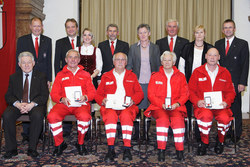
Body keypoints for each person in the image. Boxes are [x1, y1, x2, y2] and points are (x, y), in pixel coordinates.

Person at [95, 52, 143, 162]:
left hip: (127, 107)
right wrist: (102, 100)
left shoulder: (132, 75)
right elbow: (98, 94)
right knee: (110, 117)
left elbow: (140, 93)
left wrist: (133, 100)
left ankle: (127, 148)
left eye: (122, 60)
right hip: (110, 107)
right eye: (118, 59)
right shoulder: (106, 76)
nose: (120, 62)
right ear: (113, 62)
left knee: (126, 116)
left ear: (126, 62)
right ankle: (110, 148)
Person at [47, 49, 96, 156]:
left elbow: (93, 92)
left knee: (85, 117)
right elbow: (54, 94)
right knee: (52, 116)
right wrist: (61, 99)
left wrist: (86, 97)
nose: (73, 60)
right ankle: (59, 144)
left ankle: (80, 143)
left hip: (81, 105)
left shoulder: (86, 74)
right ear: (65, 59)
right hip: (64, 104)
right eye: (70, 57)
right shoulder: (60, 75)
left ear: (79, 60)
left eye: (75, 57)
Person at [188, 48, 236, 155]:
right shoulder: (197, 72)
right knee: (205, 116)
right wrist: (197, 101)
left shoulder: (225, 72)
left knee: (225, 118)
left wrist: (226, 102)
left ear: (219, 57)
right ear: (205, 56)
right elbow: (190, 91)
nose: (212, 58)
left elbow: (231, 92)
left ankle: (220, 141)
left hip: (221, 106)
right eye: (210, 55)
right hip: (203, 106)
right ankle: (204, 142)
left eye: (215, 55)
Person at [144, 51, 189, 162]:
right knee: (163, 121)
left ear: (174, 62)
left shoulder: (181, 76)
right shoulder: (155, 76)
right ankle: (161, 150)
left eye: (169, 60)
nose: (167, 62)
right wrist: (161, 104)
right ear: (161, 62)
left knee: (178, 121)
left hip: (176, 107)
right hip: (159, 107)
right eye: (165, 60)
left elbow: (185, 94)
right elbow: (151, 95)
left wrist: (177, 104)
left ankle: (180, 150)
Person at [3, 52, 49, 159]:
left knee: (38, 115)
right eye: (24, 63)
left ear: (33, 63)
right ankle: (11, 149)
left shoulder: (41, 76)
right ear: (19, 64)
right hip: (18, 104)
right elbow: (8, 96)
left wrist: (31, 104)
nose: (26, 65)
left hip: (35, 104)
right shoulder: (14, 77)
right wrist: (18, 104)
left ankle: (32, 148)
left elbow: (44, 96)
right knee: (7, 115)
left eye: (29, 62)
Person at [16, 17, 52, 142]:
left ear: (42, 27)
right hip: (26, 76)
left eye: (39, 26)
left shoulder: (47, 40)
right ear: (30, 27)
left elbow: (48, 61)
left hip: (41, 78)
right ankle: (26, 133)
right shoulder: (22, 40)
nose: (37, 28)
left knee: (40, 103)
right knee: (26, 100)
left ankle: (40, 132)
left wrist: (49, 79)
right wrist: (19, 79)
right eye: (35, 26)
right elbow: (18, 61)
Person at [215, 19, 249, 143]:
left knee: (235, 107)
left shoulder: (242, 44)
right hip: (221, 82)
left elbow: (245, 65)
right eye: (225, 28)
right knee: (223, 107)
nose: (227, 30)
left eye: (230, 27)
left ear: (234, 29)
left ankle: (237, 132)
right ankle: (226, 131)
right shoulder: (218, 43)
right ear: (222, 30)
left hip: (236, 82)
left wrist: (242, 82)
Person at [178, 25, 213, 142]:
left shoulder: (209, 48)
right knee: (187, 108)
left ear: (205, 34)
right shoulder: (187, 47)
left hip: (204, 85)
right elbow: (181, 66)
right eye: (197, 32)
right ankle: (187, 133)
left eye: (201, 32)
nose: (199, 35)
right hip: (188, 82)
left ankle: (200, 134)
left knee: (201, 109)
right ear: (194, 34)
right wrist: (184, 82)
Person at [127, 23, 161, 139]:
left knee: (148, 109)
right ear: (138, 34)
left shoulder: (155, 48)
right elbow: (129, 65)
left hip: (151, 83)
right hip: (137, 83)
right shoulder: (133, 48)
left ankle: (146, 133)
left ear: (149, 34)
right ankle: (136, 133)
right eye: (140, 33)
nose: (142, 35)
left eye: (145, 32)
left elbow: (157, 66)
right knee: (136, 109)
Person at [54, 18, 81, 138]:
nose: (71, 29)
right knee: (66, 102)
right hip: (65, 77)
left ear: (77, 28)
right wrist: (57, 78)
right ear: (66, 29)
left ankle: (84, 128)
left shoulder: (84, 40)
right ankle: (66, 128)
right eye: (68, 27)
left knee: (81, 102)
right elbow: (56, 62)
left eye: (73, 26)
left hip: (81, 77)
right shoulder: (60, 42)